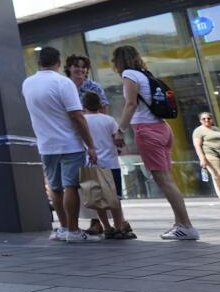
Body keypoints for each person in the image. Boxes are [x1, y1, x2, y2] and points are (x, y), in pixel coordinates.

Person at [113, 45, 198, 240]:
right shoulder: (145, 74)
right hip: (163, 128)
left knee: (164, 182)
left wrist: (120, 131)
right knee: (169, 180)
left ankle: (187, 226)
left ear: (118, 61)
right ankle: (180, 224)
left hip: (147, 130)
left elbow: (131, 104)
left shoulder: (129, 74)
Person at [22, 47, 100, 243]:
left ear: (39, 62)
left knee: (55, 188)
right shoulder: (63, 83)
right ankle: (73, 231)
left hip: (46, 144)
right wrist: (90, 145)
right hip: (69, 143)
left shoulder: (27, 83)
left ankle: (63, 228)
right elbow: (77, 116)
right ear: (58, 62)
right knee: (71, 187)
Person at [82, 91, 134, 239]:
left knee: (97, 200)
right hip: (111, 164)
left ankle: (107, 227)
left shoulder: (82, 121)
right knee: (115, 199)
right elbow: (117, 141)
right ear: (99, 105)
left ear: (83, 105)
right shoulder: (109, 120)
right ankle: (119, 227)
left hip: (91, 164)